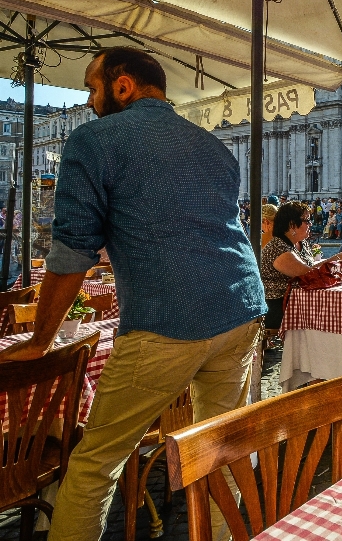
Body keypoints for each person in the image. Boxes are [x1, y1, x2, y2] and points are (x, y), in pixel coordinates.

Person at [0, 47, 267, 541]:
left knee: (95, 463)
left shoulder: (93, 140)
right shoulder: (212, 146)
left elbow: (72, 250)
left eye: (92, 87)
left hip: (169, 319)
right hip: (241, 309)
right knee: (221, 443)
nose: (88, 99)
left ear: (122, 86)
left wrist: (40, 339)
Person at [261, 202, 342, 331]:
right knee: (337, 314)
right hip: (279, 307)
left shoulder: (299, 243)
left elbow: (310, 267)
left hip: (299, 302)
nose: (310, 224)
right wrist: (339, 257)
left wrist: (340, 257)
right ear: (292, 225)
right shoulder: (277, 248)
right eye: (307, 220)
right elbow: (310, 275)